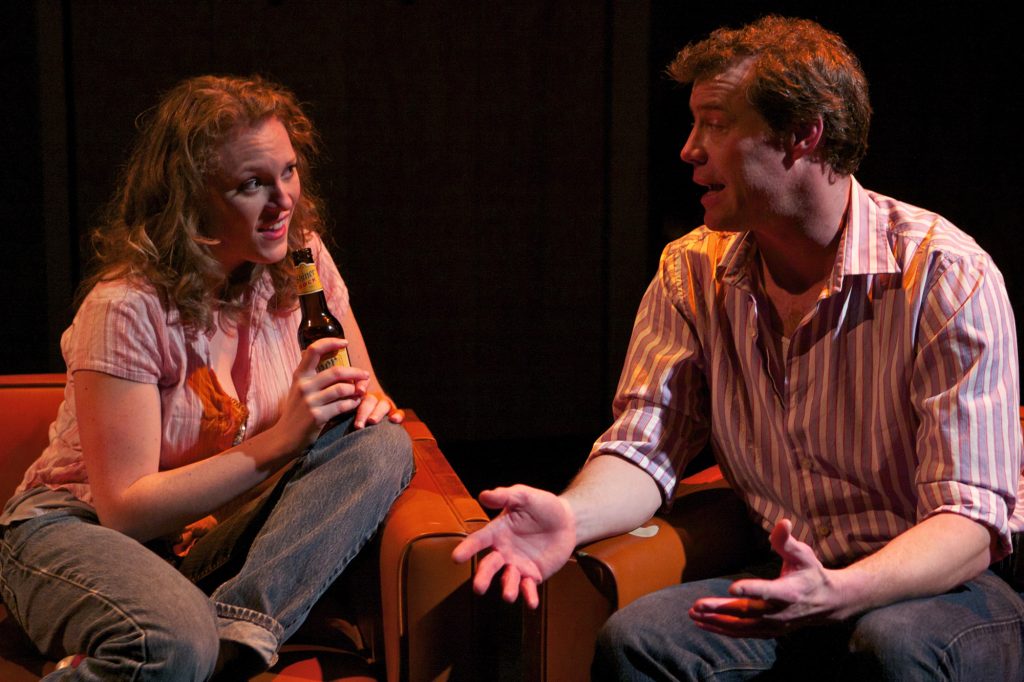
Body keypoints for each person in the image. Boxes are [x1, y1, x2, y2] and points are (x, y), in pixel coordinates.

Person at [453, 15, 1024, 680]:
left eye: (716, 124)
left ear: (803, 134)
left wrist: (844, 592)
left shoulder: (944, 274)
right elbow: (645, 447)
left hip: (941, 589)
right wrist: (571, 516)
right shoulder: (691, 270)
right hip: (794, 578)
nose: (689, 150)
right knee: (639, 642)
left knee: (891, 644)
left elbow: (969, 523)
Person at [0, 75, 414, 680]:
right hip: (75, 533)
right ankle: (189, 647)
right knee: (172, 637)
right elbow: (125, 512)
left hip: (197, 546)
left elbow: (368, 390)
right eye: (252, 184)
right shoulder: (126, 306)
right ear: (190, 197)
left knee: (383, 445)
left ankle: (231, 640)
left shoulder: (304, 263)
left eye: (289, 172)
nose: (283, 200)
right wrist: (285, 439)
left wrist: (366, 408)